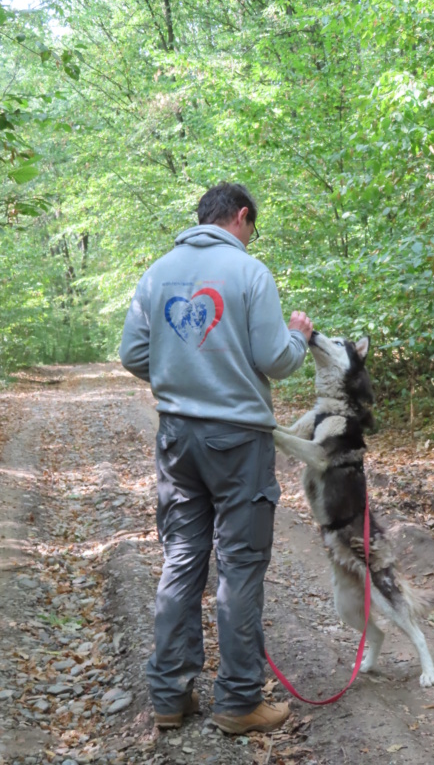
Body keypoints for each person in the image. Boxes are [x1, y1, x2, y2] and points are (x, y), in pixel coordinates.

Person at [119, 182, 313, 735]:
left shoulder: (157, 272)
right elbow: (274, 359)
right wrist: (299, 337)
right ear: (243, 217)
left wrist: (177, 378)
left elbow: (133, 352)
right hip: (238, 441)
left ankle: (169, 696)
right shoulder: (250, 272)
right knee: (240, 566)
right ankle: (237, 701)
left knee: (182, 558)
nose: (251, 237)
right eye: (253, 227)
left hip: (176, 437)